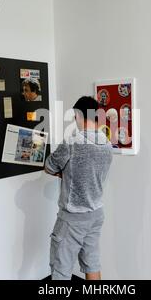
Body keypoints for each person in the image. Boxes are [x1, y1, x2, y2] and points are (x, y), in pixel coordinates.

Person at [44, 96, 113, 281]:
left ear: (77, 115)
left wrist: (62, 173)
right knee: (92, 264)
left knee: (61, 270)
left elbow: (49, 166)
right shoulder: (107, 144)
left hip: (73, 217)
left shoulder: (72, 142)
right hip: (96, 214)